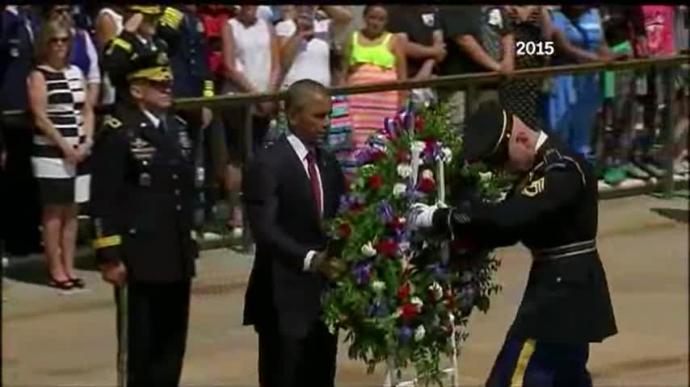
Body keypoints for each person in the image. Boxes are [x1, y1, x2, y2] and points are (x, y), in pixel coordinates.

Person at [408, 101, 618, 387]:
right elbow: (504, 232)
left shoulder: (561, 169)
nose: (501, 172)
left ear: (520, 139)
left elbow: (510, 218)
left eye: (501, 163)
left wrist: (444, 217)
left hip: (560, 297)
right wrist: (454, 228)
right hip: (563, 292)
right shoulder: (537, 170)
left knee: (511, 379)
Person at [89, 55, 197, 386]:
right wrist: (109, 255)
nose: (167, 88)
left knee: (171, 345)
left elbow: (184, 192)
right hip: (139, 256)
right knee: (140, 349)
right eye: (157, 84)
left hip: (175, 252)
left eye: (167, 82)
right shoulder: (119, 132)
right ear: (136, 89)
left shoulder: (177, 129)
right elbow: (104, 199)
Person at [242, 79, 347, 387]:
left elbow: (342, 216)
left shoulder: (327, 163)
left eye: (328, 115)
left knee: (321, 378)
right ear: (293, 115)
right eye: (318, 116)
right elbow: (265, 229)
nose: (325, 124)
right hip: (281, 297)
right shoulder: (268, 163)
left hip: (323, 297)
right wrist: (311, 259)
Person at [27, 19, 94, 290]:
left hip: (79, 150)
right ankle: (55, 269)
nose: (60, 46)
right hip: (51, 152)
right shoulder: (38, 75)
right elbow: (41, 117)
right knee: (54, 213)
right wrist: (64, 146)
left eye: (65, 40)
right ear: (46, 44)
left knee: (73, 211)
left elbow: (87, 108)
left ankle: (69, 265)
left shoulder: (77, 72)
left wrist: (87, 140)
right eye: (55, 41)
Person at [220, 5, 281, 237]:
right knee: (237, 156)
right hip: (240, 98)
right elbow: (230, 66)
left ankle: (260, 209)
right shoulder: (231, 26)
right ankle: (236, 212)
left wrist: (269, 94)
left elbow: (276, 64)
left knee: (260, 154)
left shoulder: (266, 27)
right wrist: (254, 94)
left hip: (265, 97)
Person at [342, 5, 407, 150]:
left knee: (383, 147)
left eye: (381, 19)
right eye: (372, 18)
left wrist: (401, 107)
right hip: (357, 107)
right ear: (364, 18)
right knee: (357, 147)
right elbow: (343, 74)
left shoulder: (394, 40)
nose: (376, 22)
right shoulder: (352, 38)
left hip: (385, 107)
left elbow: (402, 78)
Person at [103, 5, 184, 104]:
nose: (154, 22)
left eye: (156, 17)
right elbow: (113, 71)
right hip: (132, 106)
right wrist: (127, 34)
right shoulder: (123, 44)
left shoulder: (160, 43)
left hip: (159, 104)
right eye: (149, 18)